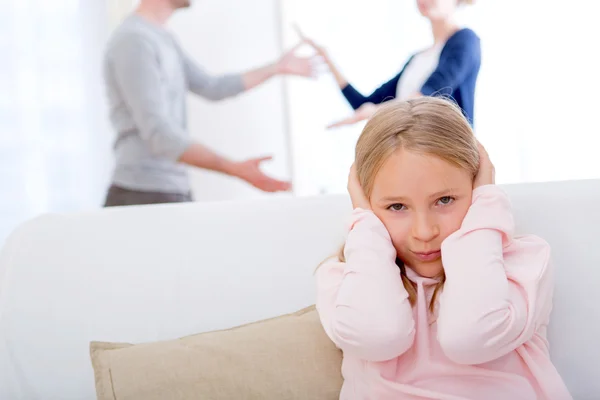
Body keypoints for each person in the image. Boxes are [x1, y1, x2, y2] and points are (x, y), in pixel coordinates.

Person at [315, 97, 572, 399]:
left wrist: (486, 206)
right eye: (397, 206)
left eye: (445, 200)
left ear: (477, 189)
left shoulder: (524, 265)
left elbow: (470, 337)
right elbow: (379, 336)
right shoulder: (345, 279)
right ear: (365, 204)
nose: (424, 232)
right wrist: (365, 228)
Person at [103, 0, 317, 207]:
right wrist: (235, 169)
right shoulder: (133, 40)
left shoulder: (162, 37)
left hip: (170, 189)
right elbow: (160, 134)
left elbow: (211, 86)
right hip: (140, 193)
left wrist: (275, 68)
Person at [301, 0, 481, 129]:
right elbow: (366, 105)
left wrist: (376, 110)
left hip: (449, 159)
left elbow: (429, 95)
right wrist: (328, 59)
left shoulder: (465, 41)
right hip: (414, 158)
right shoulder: (417, 59)